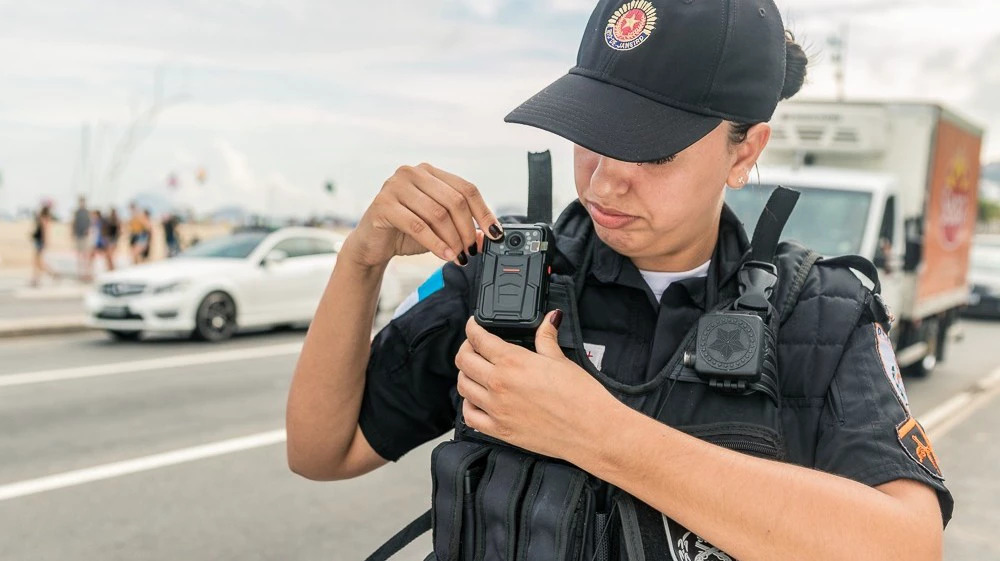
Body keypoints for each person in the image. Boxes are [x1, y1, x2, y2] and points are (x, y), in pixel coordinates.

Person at [286, 2, 951, 560]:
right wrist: (359, 262)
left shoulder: (818, 314)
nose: (604, 179)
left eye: (653, 149)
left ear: (744, 150)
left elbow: (907, 542)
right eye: (591, 133)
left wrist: (599, 432)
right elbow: (324, 450)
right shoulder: (507, 276)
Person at [29, 203, 57, 287]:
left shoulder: (43, 218)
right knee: (37, 262)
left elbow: (45, 231)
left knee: (38, 262)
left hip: (40, 242)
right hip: (39, 241)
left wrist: (45, 242)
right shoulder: (44, 218)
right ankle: (39, 277)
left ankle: (39, 278)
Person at [72, 195, 91, 280]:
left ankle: (86, 273)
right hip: (78, 235)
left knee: (85, 255)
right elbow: (74, 223)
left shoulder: (87, 212)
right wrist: (72, 233)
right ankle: (79, 273)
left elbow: (89, 224)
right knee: (79, 255)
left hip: (84, 236)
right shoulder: (77, 212)